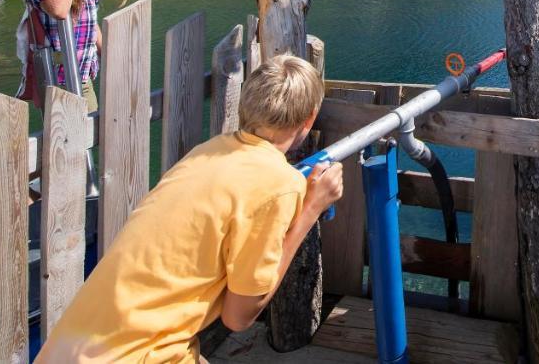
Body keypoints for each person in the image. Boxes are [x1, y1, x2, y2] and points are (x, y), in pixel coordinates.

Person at [36, 54, 343, 362]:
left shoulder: (208, 152)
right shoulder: (278, 184)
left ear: (247, 105)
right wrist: (311, 209)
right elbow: (239, 317)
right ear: (309, 119)